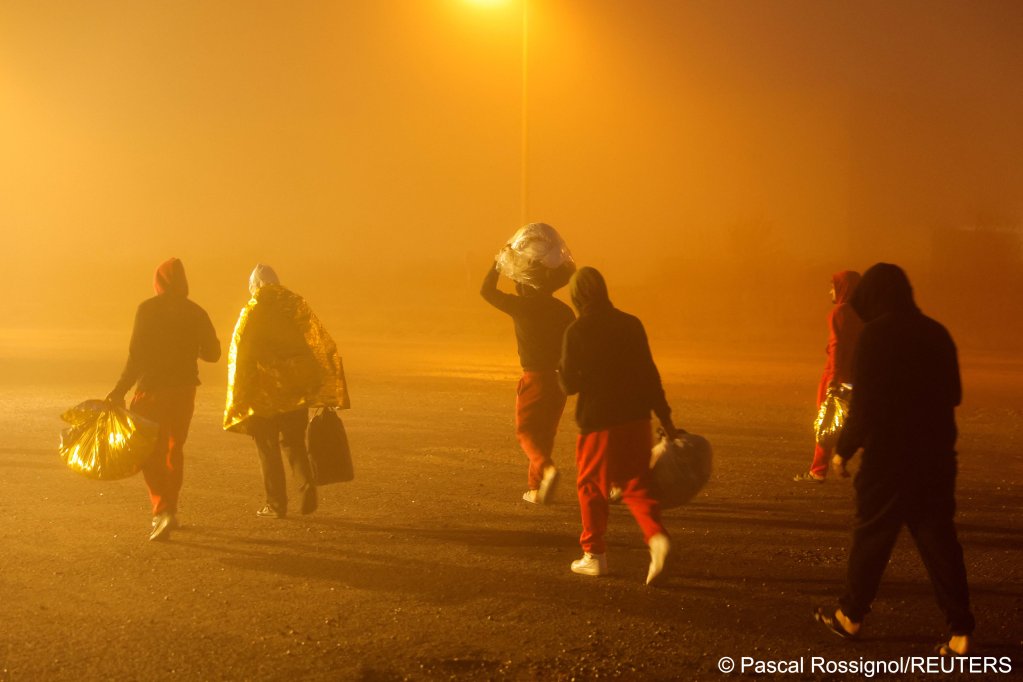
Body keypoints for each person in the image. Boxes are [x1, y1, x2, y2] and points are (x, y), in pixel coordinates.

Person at [815, 263, 974, 656]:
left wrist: (844, 450)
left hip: (888, 456)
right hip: (935, 454)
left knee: (872, 536)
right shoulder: (937, 332)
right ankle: (960, 631)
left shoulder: (875, 336)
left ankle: (851, 615)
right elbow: (954, 393)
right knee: (939, 541)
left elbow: (865, 404)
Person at [559, 267, 680, 585]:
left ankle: (594, 555)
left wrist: (563, 369)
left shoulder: (577, 331)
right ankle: (657, 538)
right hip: (637, 418)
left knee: (591, 486)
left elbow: (569, 385)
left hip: (599, 422)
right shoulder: (631, 324)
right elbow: (650, 373)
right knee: (635, 483)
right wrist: (666, 418)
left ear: (577, 295)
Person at [106, 258, 221, 541]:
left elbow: (136, 356)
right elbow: (213, 354)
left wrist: (119, 390)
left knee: (150, 451)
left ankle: (162, 510)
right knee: (173, 449)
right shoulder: (196, 312)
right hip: (184, 391)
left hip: (152, 391)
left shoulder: (147, 309)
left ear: (158, 282)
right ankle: (171, 509)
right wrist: (190, 347)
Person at [223, 264, 350, 519]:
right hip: (295, 391)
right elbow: (316, 343)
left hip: (263, 395)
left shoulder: (252, 311)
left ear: (256, 286)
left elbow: (241, 355)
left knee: (267, 448)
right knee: (294, 442)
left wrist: (240, 395)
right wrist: (318, 385)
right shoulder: (294, 306)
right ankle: (306, 484)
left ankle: (276, 504)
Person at [481, 253, 575, 504]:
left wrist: (498, 263)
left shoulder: (521, 306)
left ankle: (547, 469)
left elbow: (487, 291)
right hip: (560, 381)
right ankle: (536, 488)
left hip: (535, 378)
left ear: (526, 283)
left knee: (526, 432)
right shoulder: (564, 311)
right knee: (545, 435)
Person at [795, 271, 863, 482]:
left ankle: (818, 470)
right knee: (859, 421)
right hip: (860, 376)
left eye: (833, 287)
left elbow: (837, 346)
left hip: (837, 374)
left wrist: (833, 378)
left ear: (843, 288)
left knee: (827, 421)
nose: (830, 291)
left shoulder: (839, 313)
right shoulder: (867, 313)